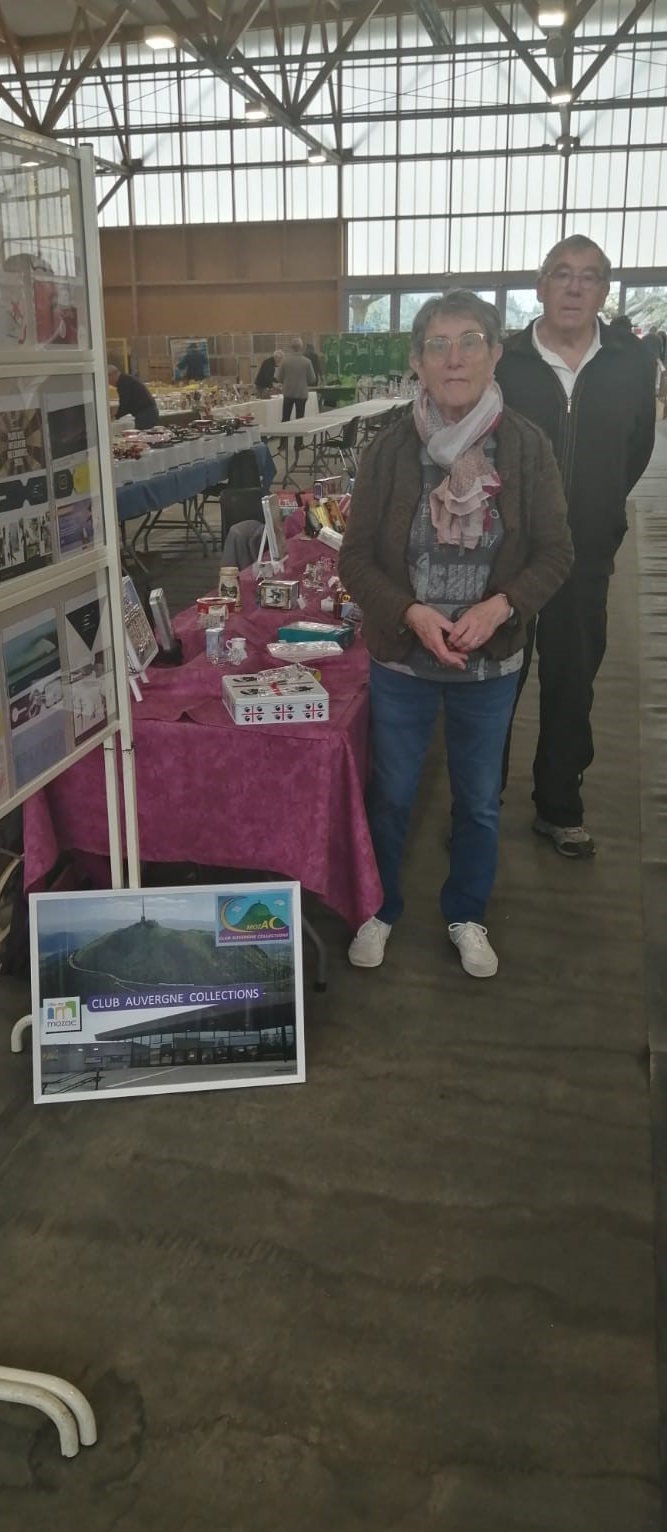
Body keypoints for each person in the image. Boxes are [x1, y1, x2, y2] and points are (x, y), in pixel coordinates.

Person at [340, 290, 572, 979]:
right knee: (390, 795)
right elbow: (355, 559)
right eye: (437, 346)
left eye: (469, 341)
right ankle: (379, 907)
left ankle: (466, 913)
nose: (454, 358)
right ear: (416, 361)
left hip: (488, 666)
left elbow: (555, 552)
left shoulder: (525, 446)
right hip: (402, 664)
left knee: (477, 801)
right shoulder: (389, 449)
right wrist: (409, 612)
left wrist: (501, 607)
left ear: (495, 353)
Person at [497, 235, 656, 857]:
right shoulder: (505, 362)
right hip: (506, 558)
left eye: (588, 277)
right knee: (495, 684)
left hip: (586, 555)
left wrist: (597, 508)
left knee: (572, 683)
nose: (573, 287)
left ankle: (559, 807)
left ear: (603, 291)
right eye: (562, 274)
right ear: (541, 286)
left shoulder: (629, 363)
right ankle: (479, 804)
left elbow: (636, 449)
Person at [276, 337, 317, 447]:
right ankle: (298, 443)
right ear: (301, 347)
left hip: (288, 393)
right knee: (300, 419)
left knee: (285, 418)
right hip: (301, 393)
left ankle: (283, 443)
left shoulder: (285, 361)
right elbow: (312, 379)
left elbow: (279, 378)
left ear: (291, 347)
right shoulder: (307, 362)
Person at [108, 363, 159, 431]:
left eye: (108, 379)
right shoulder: (126, 379)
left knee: (141, 434)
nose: (109, 383)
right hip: (149, 411)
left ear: (112, 375)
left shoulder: (123, 382)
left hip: (145, 413)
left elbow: (125, 404)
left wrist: (115, 417)